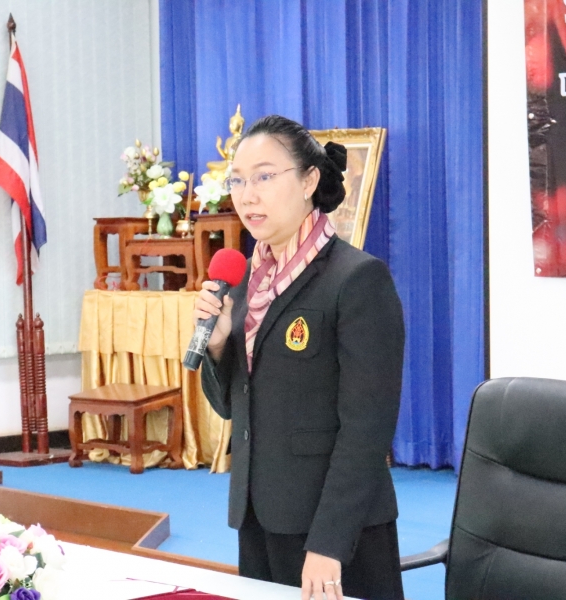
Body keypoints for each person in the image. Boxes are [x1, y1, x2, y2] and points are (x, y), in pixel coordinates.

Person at [194, 115, 405, 600]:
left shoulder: (358, 280)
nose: (248, 196)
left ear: (309, 181)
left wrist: (329, 543)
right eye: (237, 181)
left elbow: (367, 429)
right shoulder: (246, 282)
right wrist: (219, 345)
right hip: (259, 515)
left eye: (264, 177)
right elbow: (231, 406)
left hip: (336, 531)